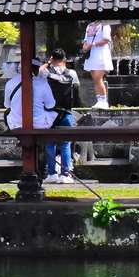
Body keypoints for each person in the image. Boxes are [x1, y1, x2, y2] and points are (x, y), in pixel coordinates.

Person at [44, 49, 80, 184]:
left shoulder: (47, 73)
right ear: (64, 59)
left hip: (49, 113)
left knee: (49, 143)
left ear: (52, 58)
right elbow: (76, 92)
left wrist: (48, 63)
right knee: (65, 144)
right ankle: (65, 174)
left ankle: (52, 173)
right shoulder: (72, 73)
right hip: (66, 112)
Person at [82, 19, 114, 109]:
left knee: (98, 78)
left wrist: (92, 44)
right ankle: (99, 100)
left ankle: (104, 102)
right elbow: (85, 40)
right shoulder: (89, 25)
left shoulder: (105, 25)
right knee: (95, 80)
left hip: (101, 54)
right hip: (91, 55)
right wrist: (84, 48)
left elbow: (106, 40)